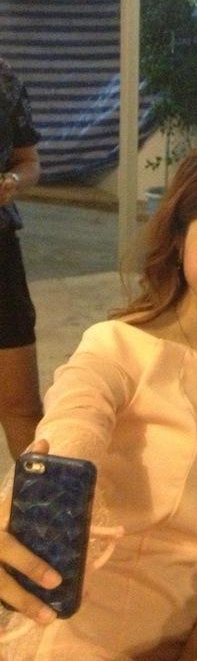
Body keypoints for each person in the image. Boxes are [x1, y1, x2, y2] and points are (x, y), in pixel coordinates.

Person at [0, 141, 197, 659]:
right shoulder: (117, 349)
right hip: (86, 641)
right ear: (178, 238)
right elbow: (74, 426)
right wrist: (35, 503)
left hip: (186, 644)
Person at [0, 57, 43, 458]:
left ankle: (37, 495)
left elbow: (28, 162)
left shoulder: (5, 79)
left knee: (21, 404)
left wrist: (12, 181)